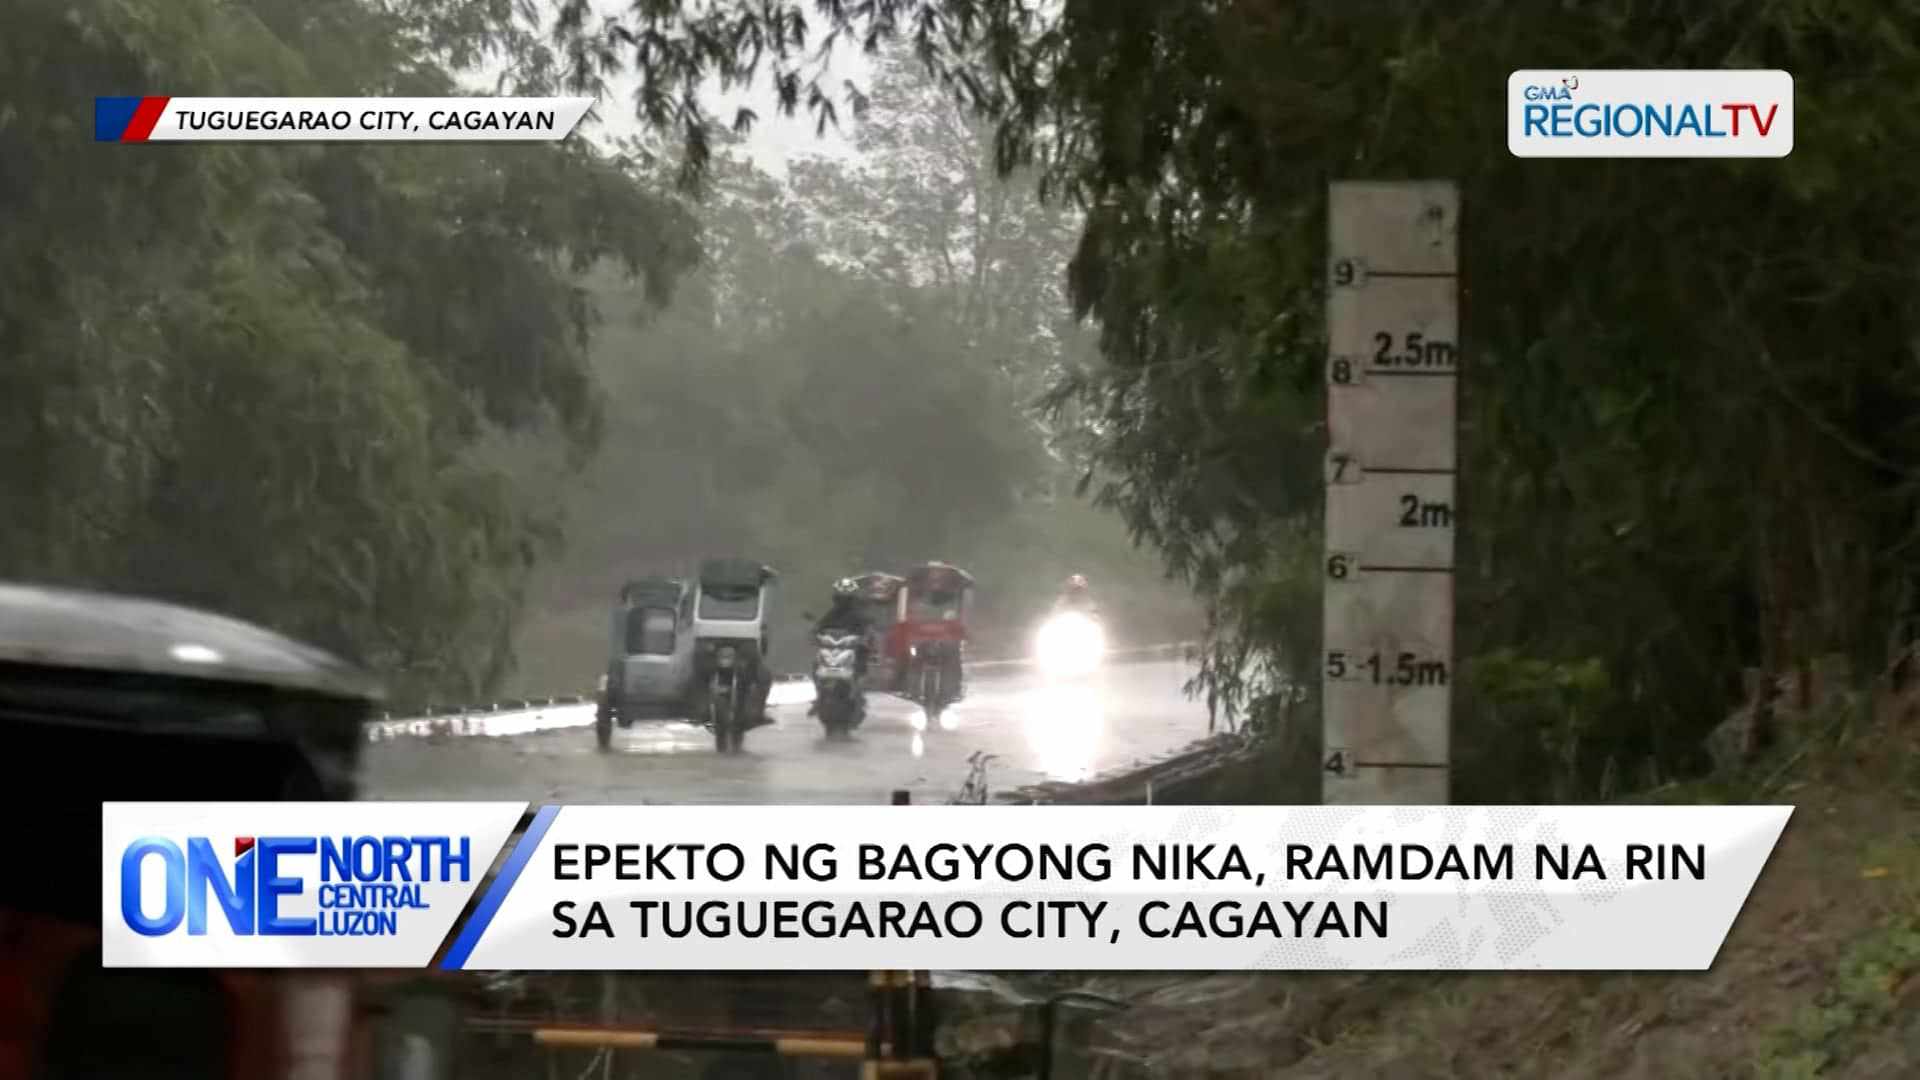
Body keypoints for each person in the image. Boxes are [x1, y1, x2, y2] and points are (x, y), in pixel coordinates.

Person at [810, 578, 873, 716]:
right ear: (836, 598)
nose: (844, 602)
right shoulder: (832, 613)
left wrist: (864, 640)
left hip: (853, 651)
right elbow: (819, 627)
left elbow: (868, 631)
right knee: (816, 664)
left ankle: (858, 693)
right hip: (833, 650)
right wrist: (815, 633)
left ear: (853, 599)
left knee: (862, 664)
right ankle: (819, 695)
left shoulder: (860, 616)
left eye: (847, 599)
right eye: (841, 599)